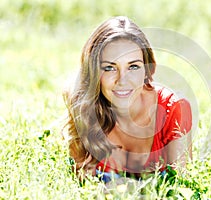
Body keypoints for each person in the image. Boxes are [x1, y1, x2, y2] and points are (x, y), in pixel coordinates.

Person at [63, 16, 192, 182]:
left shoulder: (173, 109)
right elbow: (80, 183)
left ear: (147, 70)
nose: (122, 80)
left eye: (133, 66)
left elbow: (182, 185)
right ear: (95, 72)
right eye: (109, 67)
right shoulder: (85, 109)